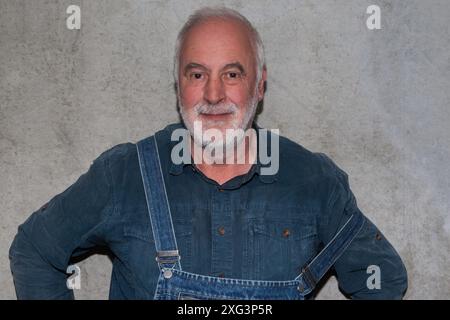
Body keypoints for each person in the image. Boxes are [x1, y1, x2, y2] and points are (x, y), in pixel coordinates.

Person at [9, 6, 407, 300]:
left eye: (232, 75)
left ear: (260, 86)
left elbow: (382, 276)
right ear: (178, 84)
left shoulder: (312, 182)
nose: (214, 95)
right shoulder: (125, 176)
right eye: (197, 74)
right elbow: (34, 249)